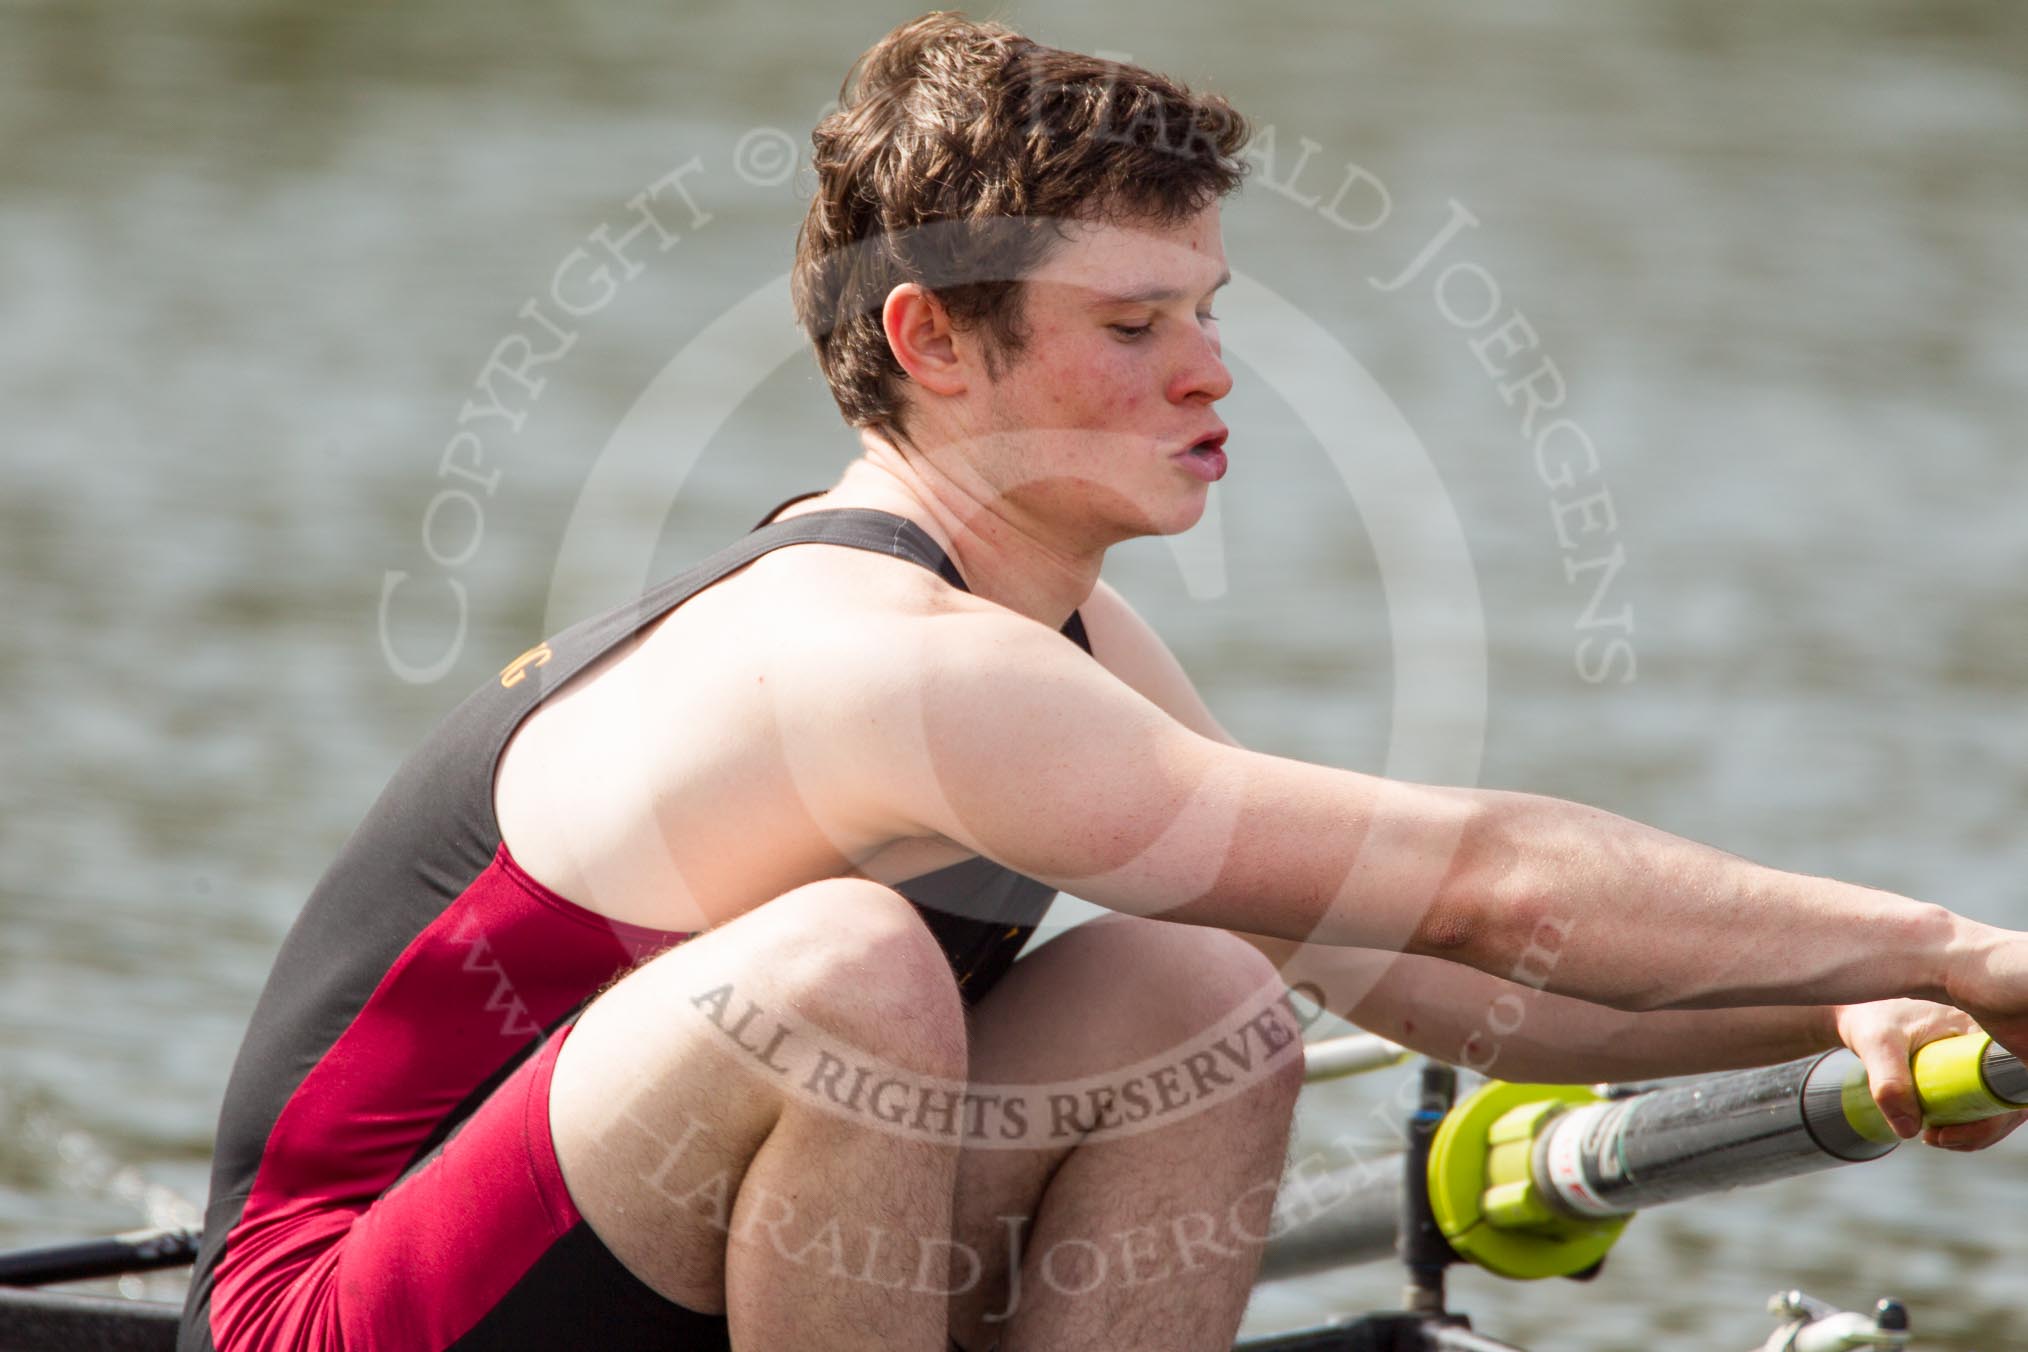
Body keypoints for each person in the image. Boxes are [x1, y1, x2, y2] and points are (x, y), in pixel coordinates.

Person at [181, 14, 2027, 1352]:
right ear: (932, 343)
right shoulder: (870, 661)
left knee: (1199, 990)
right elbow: (1495, 874)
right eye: (1133, 327)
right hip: (329, 1315)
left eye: (1210, 309)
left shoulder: (1053, 649)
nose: (1212, 374)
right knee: (847, 973)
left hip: (619, 1274)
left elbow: (1459, 973)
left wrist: (1840, 1006)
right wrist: (1945, 943)